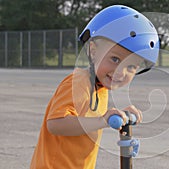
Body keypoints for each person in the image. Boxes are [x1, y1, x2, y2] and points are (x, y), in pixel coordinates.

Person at [30, 5, 159, 169]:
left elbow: (89, 119)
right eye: (115, 59)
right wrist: (102, 121)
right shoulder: (78, 82)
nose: (120, 72)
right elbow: (55, 124)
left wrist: (122, 117)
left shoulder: (101, 89)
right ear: (93, 51)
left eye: (131, 67)